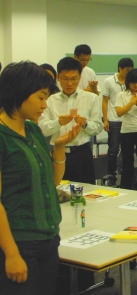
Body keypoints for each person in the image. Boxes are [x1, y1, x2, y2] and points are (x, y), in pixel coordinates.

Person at [0, 61, 81, 295]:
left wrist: (59, 148)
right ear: (19, 93)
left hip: (48, 238)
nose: (45, 106)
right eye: (41, 98)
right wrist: (12, 254)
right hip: (19, 243)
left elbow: (51, 182)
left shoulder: (33, 129)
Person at [39, 57, 103, 185]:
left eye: (74, 79)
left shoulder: (91, 98)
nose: (69, 84)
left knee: (87, 192)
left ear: (80, 77)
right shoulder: (49, 100)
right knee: (58, 192)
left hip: (82, 154)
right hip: (57, 154)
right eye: (65, 79)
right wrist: (58, 122)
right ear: (58, 78)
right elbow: (42, 129)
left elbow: (98, 127)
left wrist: (85, 124)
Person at [102, 58, 133, 179]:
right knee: (113, 149)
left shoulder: (131, 82)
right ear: (120, 68)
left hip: (127, 121)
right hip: (114, 120)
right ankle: (111, 174)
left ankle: (124, 172)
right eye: (127, 69)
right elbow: (104, 102)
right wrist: (105, 120)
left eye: (131, 69)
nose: (129, 72)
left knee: (127, 150)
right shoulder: (109, 81)